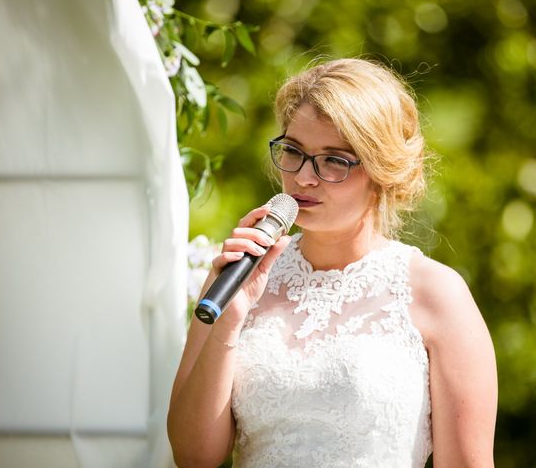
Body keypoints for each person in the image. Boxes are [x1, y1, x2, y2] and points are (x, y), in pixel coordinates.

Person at [167, 58, 498, 467]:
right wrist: (229, 322)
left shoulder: (438, 295)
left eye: (333, 160)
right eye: (293, 152)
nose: (304, 177)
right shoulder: (235, 277)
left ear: (381, 170)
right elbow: (193, 457)